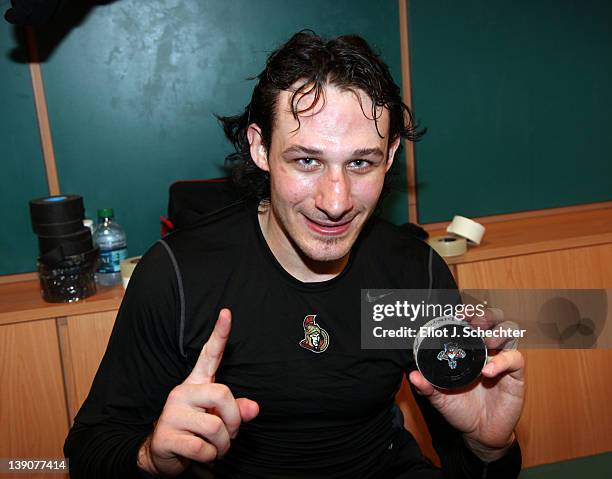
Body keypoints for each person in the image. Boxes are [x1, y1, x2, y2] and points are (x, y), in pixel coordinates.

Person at [64, 31, 524, 478]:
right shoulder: (180, 275)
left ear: (389, 156)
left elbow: (470, 464)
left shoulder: (411, 274)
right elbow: (89, 450)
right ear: (260, 148)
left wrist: (488, 446)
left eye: (360, 162)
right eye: (307, 160)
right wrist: (151, 456)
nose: (336, 200)